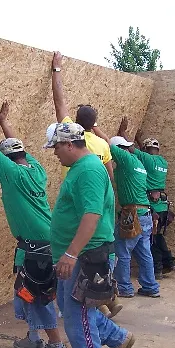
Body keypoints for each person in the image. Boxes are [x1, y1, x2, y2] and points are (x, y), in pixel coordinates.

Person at [0, 94, 69, 348]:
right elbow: (12, 147)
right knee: (25, 292)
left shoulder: (11, 175)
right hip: (38, 245)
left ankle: (57, 347)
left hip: (38, 249)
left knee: (38, 297)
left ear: (6, 162)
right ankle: (34, 338)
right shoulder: (36, 169)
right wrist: (4, 122)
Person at [44, 121, 135, 348]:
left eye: (56, 147)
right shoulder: (81, 169)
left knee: (75, 317)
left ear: (69, 144)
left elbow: (92, 215)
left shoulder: (88, 171)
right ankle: (119, 338)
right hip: (75, 255)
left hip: (84, 256)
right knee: (78, 312)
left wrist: (71, 254)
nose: (54, 153)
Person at [49, 51, 122, 320]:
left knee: (79, 307)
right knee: (85, 296)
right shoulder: (101, 146)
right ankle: (105, 303)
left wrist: (57, 70)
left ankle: (102, 307)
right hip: (98, 221)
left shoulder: (73, 139)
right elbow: (110, 177)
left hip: (83, 235)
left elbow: (60, 105)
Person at [95, 118, 160, 298]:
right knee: (144, 252)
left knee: (122, 251)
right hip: (145, 213)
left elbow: (107, 144)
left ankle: (124, 288)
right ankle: (150, 286)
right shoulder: (138, 163)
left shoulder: (125, 160)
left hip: (133, 214)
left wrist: (93, 126)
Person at [133, 129, 175, 279]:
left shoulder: (147, 160)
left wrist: (124, 132)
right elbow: (146, 155)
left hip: (153, 207)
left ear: (145, 150)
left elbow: (132, 150)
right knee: (158, 237)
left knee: (152, 240)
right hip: (163, 206)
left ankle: (157, 269)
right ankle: (168, 262)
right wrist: (140, 140)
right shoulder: (163, 162)